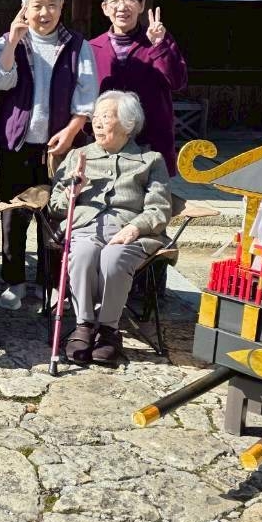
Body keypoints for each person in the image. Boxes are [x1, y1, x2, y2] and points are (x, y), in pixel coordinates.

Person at [0, 0, 97, 311]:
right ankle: (14, 282)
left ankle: (51, 282)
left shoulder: (78, 45)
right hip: (17, 144)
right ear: (24, 8)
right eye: (37, 6)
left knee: (56, 216)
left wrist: (73, 130)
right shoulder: (8, 41)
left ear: (62, 5)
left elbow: (87, 96)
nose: (44, 12)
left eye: (51, 4)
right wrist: (15, 41)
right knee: (14, 214)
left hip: (61, 147)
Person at [49, 90, 171, 367]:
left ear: (128, 124)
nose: (97, 122)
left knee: (113, 258)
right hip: (85, 227)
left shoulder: (150, 160)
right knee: (82, 255)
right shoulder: (79, 156)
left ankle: (108, 331)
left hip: (128, 232)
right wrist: (72, 191)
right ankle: (83, 324)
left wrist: (135, 228)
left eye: (107, 116)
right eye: (96, 116)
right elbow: (54, 205)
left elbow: (159, 208)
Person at [89, 0, 188, 175]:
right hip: (107, 141)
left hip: (151, 141)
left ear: (141, 5)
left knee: (153, 201)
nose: (121, 6)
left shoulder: (158, 39)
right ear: (105, 8)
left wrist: (159, 45)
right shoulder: (92, 48)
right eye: (115, 1)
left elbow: (178, 82)